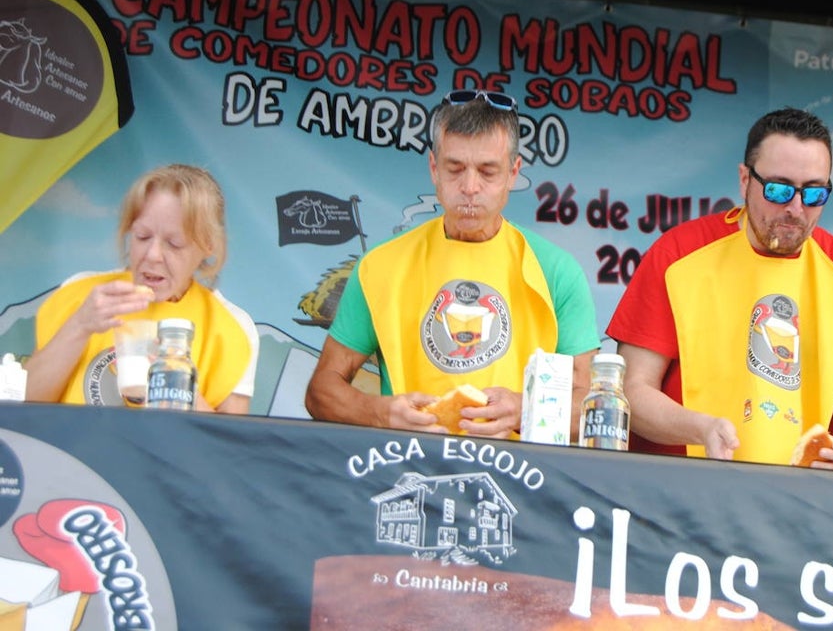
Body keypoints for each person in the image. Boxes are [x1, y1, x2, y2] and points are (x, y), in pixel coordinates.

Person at [606, 107, 833, 469]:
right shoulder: (678, 254)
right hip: (684, 487)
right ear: (745, 180)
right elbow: (631, 390)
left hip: (802, 497)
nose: (795, 207)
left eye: (814, 194)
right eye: (778, 189)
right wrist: (701, 428)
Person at [304, 89, 600, 437]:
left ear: (513, 173)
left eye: (488, 171)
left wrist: (527, 409)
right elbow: (320, 392)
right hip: (406, 469)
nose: (470, 187)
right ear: (433, 167)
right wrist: (380, 413)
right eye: (455, 168)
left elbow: (594, 406)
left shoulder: (556, 270)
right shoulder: (381, 266)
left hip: (520, 478)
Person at [27, 163, 258, 413]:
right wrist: (80, 325)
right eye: (142, 236)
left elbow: (228, 446)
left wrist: (176, 384)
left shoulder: (231, 328)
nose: (153, 255)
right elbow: (21, 408)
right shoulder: (82, 294)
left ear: (208, 246)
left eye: (174, 243)